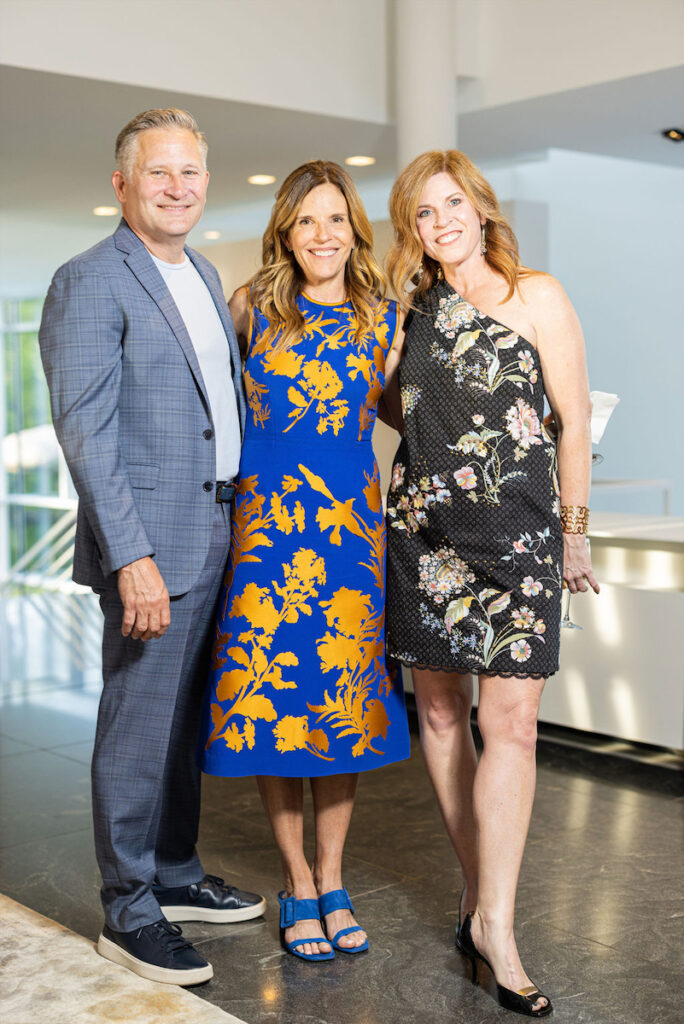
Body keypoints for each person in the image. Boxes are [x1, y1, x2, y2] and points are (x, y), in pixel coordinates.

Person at [39, 108, 265, 987]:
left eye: (191, 174)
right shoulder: (90, 280)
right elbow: (87, 430)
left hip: (216, 526)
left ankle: (173, 875)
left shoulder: (204, 271)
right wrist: (131, 558)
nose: (179, 189)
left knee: (181, 721)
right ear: (122, 183)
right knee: (137, 725)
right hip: (151, 543)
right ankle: (129, 911)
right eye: (160, 173)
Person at [383, 150, 599, 1017]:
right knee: (439, 713)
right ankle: (482, 901)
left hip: (519, 539)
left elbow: (574, 422)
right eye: (422, 216)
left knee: (508, 722)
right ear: (414, 232)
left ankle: (498, 926)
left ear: (480, 207)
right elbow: (391, 404)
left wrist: (575, 535)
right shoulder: (409, 310)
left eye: (451, 206)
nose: (441, 224)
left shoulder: (537, 295)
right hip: (425, 536)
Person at [199, 160, 410, 962]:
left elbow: (410, 417)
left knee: (341, 708)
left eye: (335, 219)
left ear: (355, 226)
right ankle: (296, 882)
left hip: (348, 540)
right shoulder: (251, 308)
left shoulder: (385, 320)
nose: (322, 235)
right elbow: (210, 411)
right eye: (306, 221)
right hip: (263, 536)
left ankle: (333, 877)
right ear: (286, 231)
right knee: (272, 709)